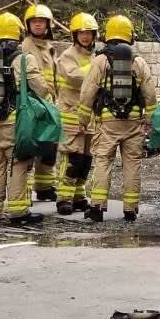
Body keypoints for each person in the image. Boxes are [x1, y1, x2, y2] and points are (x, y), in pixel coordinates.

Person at [79, 15, 157, 222]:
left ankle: (97, 208)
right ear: (129, 36)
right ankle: (130, 209)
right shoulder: (138, 62)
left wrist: (83, 120)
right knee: (132, 165)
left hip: (107, 122)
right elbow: (150, 94)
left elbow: (87, 93)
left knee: (103, 162)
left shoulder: (100, 61)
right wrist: (150, 121)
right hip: (133, 123)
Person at [0, 12, 49, 224]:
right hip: (17, 122)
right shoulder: (25, 59)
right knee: (18, 164)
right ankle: (18, 212)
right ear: (18, 33)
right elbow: (42, 89)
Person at [55, 12, 98, 215]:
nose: (85, 36)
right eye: (81, 33)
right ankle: (64, 198)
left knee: (85, 160)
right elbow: (74, 77)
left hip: (89, 118)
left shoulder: (95, 57)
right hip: (71, 116)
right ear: (74, 35)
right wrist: (97, 70)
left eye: (89, 32)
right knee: (71, 158)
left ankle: (79, 196)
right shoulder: (68, 56)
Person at [21, 3, 59, 202]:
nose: (37, 25)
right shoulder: (26, 47)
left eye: (41, 22)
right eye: (34, 22)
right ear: (28, 25)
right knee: (30, 147)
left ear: (48, 25)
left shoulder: (50, 48)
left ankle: (45, 187)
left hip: (49, 103)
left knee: (48, 147)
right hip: (33, 103)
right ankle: (23, 192)